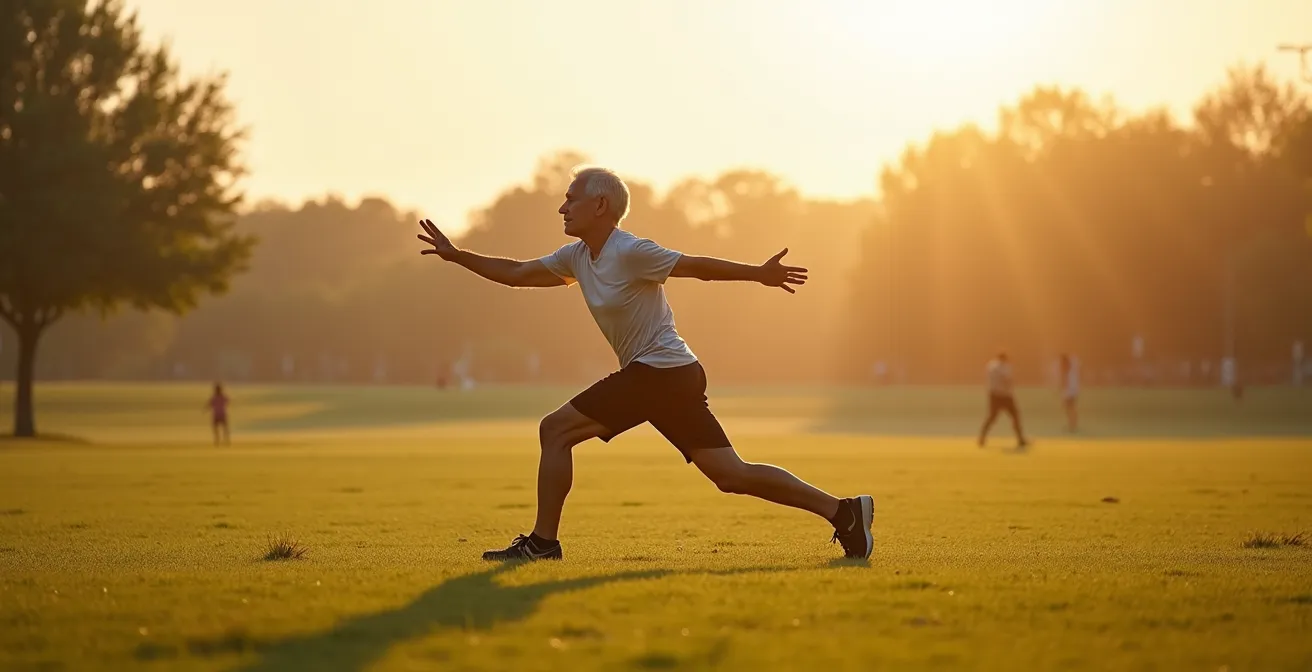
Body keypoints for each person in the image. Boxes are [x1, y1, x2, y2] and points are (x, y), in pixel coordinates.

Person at [416, 165, 875, 561]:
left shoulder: (630, 251)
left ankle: (542, 544)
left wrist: (758, 273)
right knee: (731, 475)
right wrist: (458, 257)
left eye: (569, 199)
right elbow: (517, 275)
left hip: (660, 371)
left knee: (555, 430)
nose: (562, 208)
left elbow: (696, 265)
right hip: (669, 375)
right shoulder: (576, 258)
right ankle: (844, 512)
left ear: (600, 205)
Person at [977, 352, 1027, 448]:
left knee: (992, 417)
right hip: (1005, 395)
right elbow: (1007, 379)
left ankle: (982, 437)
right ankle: (1020, 439)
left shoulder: (990, 366)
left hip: (994, 394)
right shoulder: (1005, 366)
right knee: (1015, 416)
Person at [1058, 353, 1079, 432]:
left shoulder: (1069, 371)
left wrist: (1063, 390)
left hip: (1070, 391)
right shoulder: (1069, 370)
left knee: (1070, 408)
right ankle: (1072, 423)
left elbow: (1066, 382)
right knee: (1069, 408)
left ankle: (1072, 424)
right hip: (1070, 391)